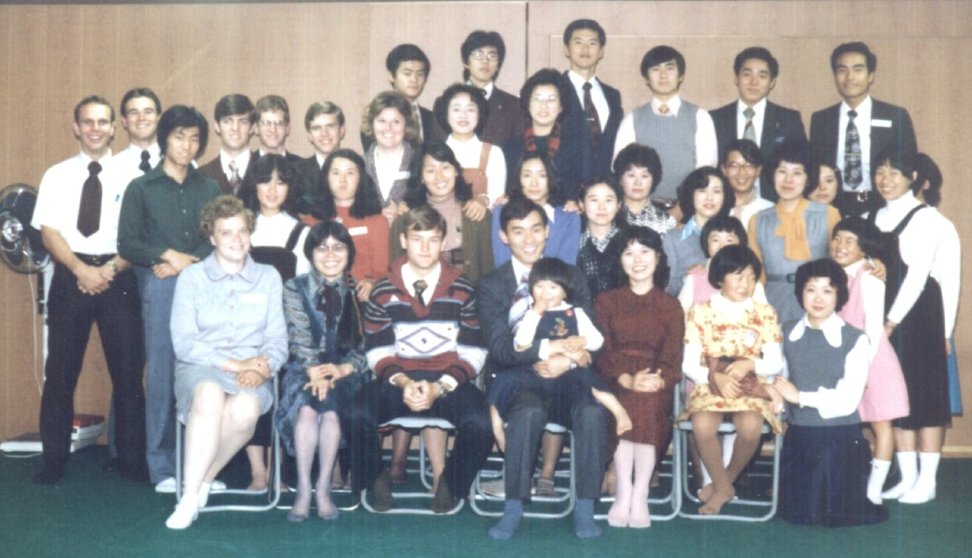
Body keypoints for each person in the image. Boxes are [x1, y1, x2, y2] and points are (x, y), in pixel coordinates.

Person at [30, 95, 146, 485]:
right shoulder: (57, 175)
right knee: (60, 373)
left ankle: (132, 461)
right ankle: (53, 461)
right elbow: (49, 232)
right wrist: (81, 269)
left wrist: (108, 269)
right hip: (70, 273)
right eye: (88, 122)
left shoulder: (134, 177)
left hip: (119, 273)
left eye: (103, 122)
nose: (96, 128)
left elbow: (139, 236)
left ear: (115, 128)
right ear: (77, 128)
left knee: (128, 373)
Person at [478, 197, 609, 540]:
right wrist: (549, 350)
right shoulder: (492, 285)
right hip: (519, 379)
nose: (529, 239)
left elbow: (591, 335)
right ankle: (513, 507)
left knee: (593, 413)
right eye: (517, 231)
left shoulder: (570, 276)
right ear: (504, 236)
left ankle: (584, 505)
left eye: (536, 229)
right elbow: (502, 349)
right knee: (528, 412)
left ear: (547, 232)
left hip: (570, 376)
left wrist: (566, 359)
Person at [350, 205, 491, 513]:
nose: (425, 247)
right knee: (355, 414)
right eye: (417, 239)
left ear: (443, 243)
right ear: (403, 241)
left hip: (447, 381)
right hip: (399, 379)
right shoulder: (383, 291)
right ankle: (376, 479)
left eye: (433, 239)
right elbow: (377, 351)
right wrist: (402, 382)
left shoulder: (463, 289)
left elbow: (475, 351)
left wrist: (440, 386)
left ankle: (450, 483)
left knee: (480, 424)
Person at [165, 195, 287, 529]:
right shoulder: (192, 278)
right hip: (200, 367)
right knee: (209, 395)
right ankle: (189, 498)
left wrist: (262, 366)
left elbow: (278, 339)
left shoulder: (269, 276)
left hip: (252, 371)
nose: (236, 239)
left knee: (246, 410)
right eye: (226, 232)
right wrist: (237, 365)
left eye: (242, 231)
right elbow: (185, 343)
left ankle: (204, 479)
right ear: (211, 237)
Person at [118, 104, 220, 492]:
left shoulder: (209, 187)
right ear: (165, 139)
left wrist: (183, 261)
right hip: (158, 287)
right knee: (161, 371)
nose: (187, 145)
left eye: (195, 138)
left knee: (200, 374)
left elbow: (217, 238)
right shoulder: (141, 188)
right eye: (180, 136)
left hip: (201, 287)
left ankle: (198, 466)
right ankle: (160, 466)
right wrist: (165, 255)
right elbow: (127, 243)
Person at [774, 259, 888, 527]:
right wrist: (775, 391)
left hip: (840, 440)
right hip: (800, 437)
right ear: (800, 292)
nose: (818, 298)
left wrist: (799, 396)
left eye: (828, 291)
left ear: (839, 296)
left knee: (836, 515)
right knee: (799, 516)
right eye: (811, 289)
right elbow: (776, 377)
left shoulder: (855, 339)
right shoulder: (785, 331)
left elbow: (848, 401)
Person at [869, 152, 949, 504]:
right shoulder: (874, 215)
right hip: (883, 313)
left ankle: (928, 481)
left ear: (912, 177)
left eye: (895, 173)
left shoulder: (926, 218)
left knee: (926, 396)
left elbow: (916, 278)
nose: (885, 179)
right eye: (880, 172)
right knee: (893, 396)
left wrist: (890, 323)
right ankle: (907, 477)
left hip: (918, 314)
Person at [487, 257, 630, 451]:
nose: (545, 294)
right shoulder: (529, 314)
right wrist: (536, 315)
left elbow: (598, 341)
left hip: (566, 374)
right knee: (502, 381)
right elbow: (520, 343)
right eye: (539, 287)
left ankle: (618, 411)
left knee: (589, 379)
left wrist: (581, 341)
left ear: (565, 291)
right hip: (533, 371)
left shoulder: (575, 313)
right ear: (531, 289)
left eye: (553, 288)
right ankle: (498, 430)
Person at [275, 222, 368, 522]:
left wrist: (343, 369)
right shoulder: (294, 287)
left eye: (338, 247)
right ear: (310, 253)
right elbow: (299, 336)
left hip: (346, 372)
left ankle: (324, 488)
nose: (330, 254)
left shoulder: (359, 292)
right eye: (322, 247)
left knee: (329, 412)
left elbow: (369, 346)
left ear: (349, 253)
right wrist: (315, 371)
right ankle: (303, 489)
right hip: (303, 368)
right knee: (306, 411)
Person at [681, 244, 784, 515]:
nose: (746, 284)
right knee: (702, 426)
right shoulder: (700, 312)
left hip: (750, 384)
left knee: (750, 429)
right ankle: (724, 487)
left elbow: (775, 362)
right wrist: (716, 377)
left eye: (751, 277)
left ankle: (723, 483)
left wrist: (751, 362)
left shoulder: (765, 313)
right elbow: (689, 363)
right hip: (710, 382)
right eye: (738, 276)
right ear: (719, 277)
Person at [595, 226, 684, 528]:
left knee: (647, 401)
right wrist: (625, 378)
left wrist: (660, 379)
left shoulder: (671, 306)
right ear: (619, 260)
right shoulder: (606, 301)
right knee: (630, 400)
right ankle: (623, 491)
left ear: (658, 258)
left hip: (654, 377)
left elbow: (672, 357)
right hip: (614, 378)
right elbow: (603, 350)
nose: (637, 259)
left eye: (645, 251)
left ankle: (640, 493)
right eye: (628, 252)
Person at [237, 154, 311, 490]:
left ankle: (280, 466)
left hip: (286, 329)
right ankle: (258, 471)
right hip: (241, 329)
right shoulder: (240, 226)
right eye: (265, 180)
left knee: (284, 393)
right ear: (253, 184)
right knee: (251, 386)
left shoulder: (302, 231)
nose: (272, 189)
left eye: (281, 182)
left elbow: (305, 291)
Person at [830, 217, 909, 504]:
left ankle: (874, 490)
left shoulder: (869, 277)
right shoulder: (830, 275)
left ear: (864, 247)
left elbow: (873, 331)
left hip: (872, 362)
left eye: (850, 241)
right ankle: (846, 482)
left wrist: (861, 373)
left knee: (880, 424)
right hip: (840, 361)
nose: (841, 246)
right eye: (837, 238)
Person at [809, 42, 918, 218]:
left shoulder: (895, 116)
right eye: (842, 70)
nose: (849, 77)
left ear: (871, 76)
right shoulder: (821, 119)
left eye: (858, 69)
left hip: (882, 204)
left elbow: (910, 165)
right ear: (835, 76)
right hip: (835, 206)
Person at [613, 45, 718, 206]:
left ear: (681, 76)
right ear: (646, 78)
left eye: (670, 68)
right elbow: (620, 170)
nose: (663, 75)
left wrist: (681, 210)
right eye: (655, 69)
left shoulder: (700, 117)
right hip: (641, 210)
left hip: (687, 209)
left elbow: (704, 174)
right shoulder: (633, 119)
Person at [748, 145, 840, 324]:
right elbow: (757, 273)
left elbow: (841, 263)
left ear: (807, 179)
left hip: (817, 300)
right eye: (782, 171)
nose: (788, 180)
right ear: (773, 175)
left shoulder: (829, 214)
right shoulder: (758, 220)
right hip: (772, 300)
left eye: (797, 173)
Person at [710, 47, 807, 201]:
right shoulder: (715, 119)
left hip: (774, 207)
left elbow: (801, 168)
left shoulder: (789, 119)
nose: (754, 82)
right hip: (725, 207)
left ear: (772, 82)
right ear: (736, 78)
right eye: (747, 74)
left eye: (762, 76)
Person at [393, 141, 494, 282]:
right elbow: (395, 272)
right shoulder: (405, 218)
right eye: (430, 170)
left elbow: (488, 274)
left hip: (467, 298)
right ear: (421, 178)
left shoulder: (477, 215)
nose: (439, 176)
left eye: (445, 167)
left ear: (456, 171)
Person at [912, 153, 962, 417]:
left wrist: (945, 332)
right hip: (895, 320)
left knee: (932, 401)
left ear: (925, 184)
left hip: (931, 320)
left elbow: (950, 282)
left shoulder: (941, 226)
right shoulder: (879, 218)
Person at [502, 68, 587, 204]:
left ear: (561, 107)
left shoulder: (575, 146)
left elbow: (580, 190)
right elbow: (508, 191)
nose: (544, 106)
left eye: (551, 100)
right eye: (538, 99)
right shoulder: (511, 147)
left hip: (563, 219)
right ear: (528, 104)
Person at [315, 148, 389, 300]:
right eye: (336, 173)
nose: (342, 179)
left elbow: (383, 271)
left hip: (362, 300)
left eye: (349, 173)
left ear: (360, 178)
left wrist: (373, 282)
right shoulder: (311, 222)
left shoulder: (377, 221)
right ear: (326, 178)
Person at [561, 18, 623, 181]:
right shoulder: (554, 90)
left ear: (601, 51)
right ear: (567, 49)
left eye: (592, 43)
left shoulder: (613, 96)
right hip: (562, 193)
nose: (585, 49)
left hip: (604, 193)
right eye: (578, 42)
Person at [492, 152, 581, 266]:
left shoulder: (569, 218)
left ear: (551, 178)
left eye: (542, 175)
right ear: (519, 179)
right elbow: (502, 264)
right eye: (527, 175)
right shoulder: (502, 211)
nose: (534, 183)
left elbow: (566, 269)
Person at [662, 166, 735, 296]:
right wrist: (688, 279)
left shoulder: (734, 235)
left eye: (716, 191)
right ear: (691, 194)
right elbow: (666, 289)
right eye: (702, 191)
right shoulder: (672, 239)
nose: (709, 198)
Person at [435, 83, 507, 208]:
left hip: (483, 225)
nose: (463, 115)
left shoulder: (494, 153)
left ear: (479, 115)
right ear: (446, 114)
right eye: (456, 109)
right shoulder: (434, 153)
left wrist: (484, 200)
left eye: (470, 109)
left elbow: (498, 199)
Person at [677, 214, 765, 311]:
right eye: (716, 240)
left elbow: (764, 314)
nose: (722, 246)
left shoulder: (750, 281)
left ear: (741, 243)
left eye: (729, 240)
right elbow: (679, 313)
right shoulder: (695, 278)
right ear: (706, 243)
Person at [457, 30, 526, 146]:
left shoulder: (514, 106)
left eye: (492, 55)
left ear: (498, 65)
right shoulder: (446, 102)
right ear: (466, 62)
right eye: (479, 54)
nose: (485, 61)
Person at [362, 44, 437, 150]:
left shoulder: (432, 118)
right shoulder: (375, 115)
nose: (414, 80)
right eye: (407, 74)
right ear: (391, 76)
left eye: (420, 74)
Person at [361, 91, 419, 223]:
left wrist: (409, 212)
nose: (388, 128)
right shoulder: (359, 165)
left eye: (396, 121)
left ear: (407, 125)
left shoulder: (420, 162)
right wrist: (377, 217)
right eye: (382, 121)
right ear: (372, 124)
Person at [576, 176, 625, 299]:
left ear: (618, 205)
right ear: (581, 204)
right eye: (594, 200)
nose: (601, 207)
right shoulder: (573, 242)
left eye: (608, 200)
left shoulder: (629, 242)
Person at [199, 94, 255, 196]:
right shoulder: (202, 176)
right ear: (217, 126)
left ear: (252, 128)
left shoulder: (266, 172)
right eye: (227, 121)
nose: (235, 128)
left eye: (243, 122)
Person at [614, 143, 676, 234]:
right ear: (620, 179)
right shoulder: (607, 215)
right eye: (631, 175)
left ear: (653, 180)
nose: (638, 182)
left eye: (644, 176)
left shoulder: (666, 222)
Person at [299, 101, 346, 207]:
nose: (324, 133)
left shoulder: (358, 169)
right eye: (317, 128)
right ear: (309, 135)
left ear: (342, 130)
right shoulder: (297, 173)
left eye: (330, 126)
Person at [721, 139, 773, 229]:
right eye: (734, 166)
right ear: (724, 170)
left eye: (749, 165)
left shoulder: (770, 211)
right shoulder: (714, 209)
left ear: (758, 170)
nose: (741, 172)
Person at [114, 87, 162, 177]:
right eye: (134, 112)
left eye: (148, 112)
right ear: (124, 121)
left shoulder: (180, 163)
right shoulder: (112, 168)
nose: (141, 118)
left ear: (158, 118)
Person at [253, 95, 304, 168]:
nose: (273, 129)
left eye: (279, 123)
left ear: (287, 128)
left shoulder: (302, 168)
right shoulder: (245, 166)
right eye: (267, 123)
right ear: (256, 128)